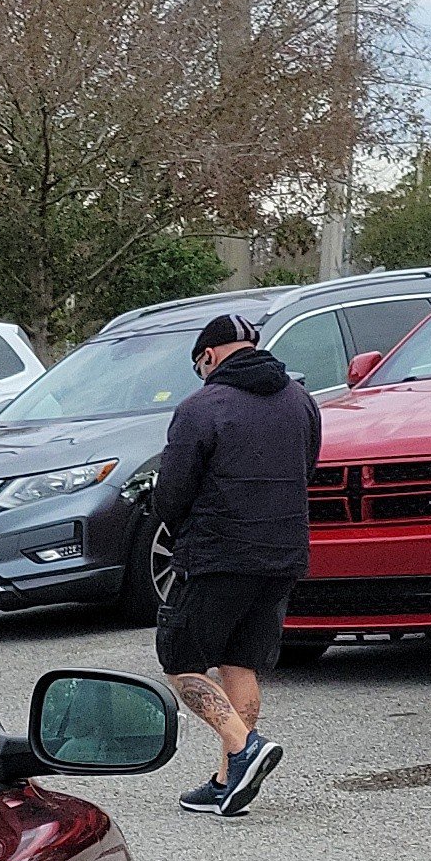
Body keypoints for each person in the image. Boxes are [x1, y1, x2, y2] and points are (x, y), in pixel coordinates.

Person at [149, 311, 326, 815]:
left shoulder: (201, 408)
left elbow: (173, 494)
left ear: (207, 356)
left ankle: (244, 746)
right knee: (239, 660)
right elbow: (306, 468)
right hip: (283, 552)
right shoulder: (301, 401)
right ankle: (230, 780)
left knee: (181, 663)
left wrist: (178, 524)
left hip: (218, 553)